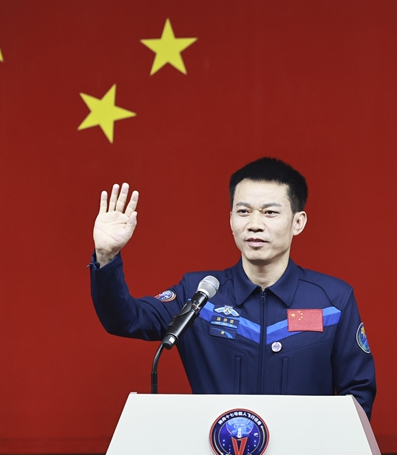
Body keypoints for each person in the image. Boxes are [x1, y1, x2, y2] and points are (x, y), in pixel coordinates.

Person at [90, 158, 376, 416]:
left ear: (297, 222)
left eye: (270, 213)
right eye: (243, 211)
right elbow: (125, 319)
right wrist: (106, 256)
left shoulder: (333, 300)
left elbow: (358, 393)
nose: (254, 224)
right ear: (230, 219)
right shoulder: (200, 294)